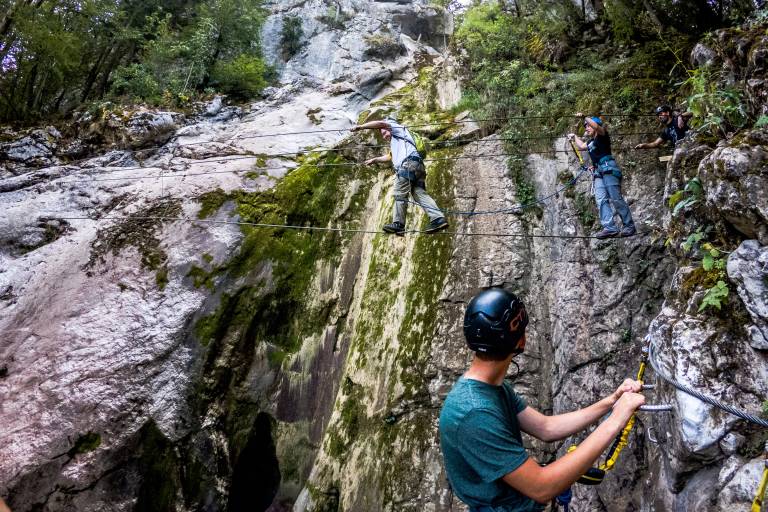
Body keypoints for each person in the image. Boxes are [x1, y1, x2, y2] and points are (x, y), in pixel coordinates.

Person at [439, 288, 646, 512]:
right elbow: (542, 486)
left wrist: (611, 402)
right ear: (520, 339)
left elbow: (546, 428)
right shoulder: (474, 412)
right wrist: (616, 420)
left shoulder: (488, 389)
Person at [351, 117, 449, 236]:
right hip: (418, 167)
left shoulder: (396, 127)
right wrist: (375, 159)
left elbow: (381, 123)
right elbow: (389, 156)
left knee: (399, 193)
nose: (384, 135)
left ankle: (398, 224)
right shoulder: (399, 141)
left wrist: (361, 127)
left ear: (389, 127)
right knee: (419, 194)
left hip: (408, 165)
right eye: (382, 134)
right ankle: (438, 219)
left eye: (384, 131)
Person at [568, 115, 636, 239]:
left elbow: (597, 127)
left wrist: (584, 117)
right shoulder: (590, 142)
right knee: (601, 200)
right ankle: (609, 228)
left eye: (588, 126)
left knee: (615, 198)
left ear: (595, 125)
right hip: (598, 172)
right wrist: (574, 137)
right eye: (585, 127)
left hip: (608, 168)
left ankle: (629, 225)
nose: (586, 128)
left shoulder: (602, 135)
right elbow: (582, 146)